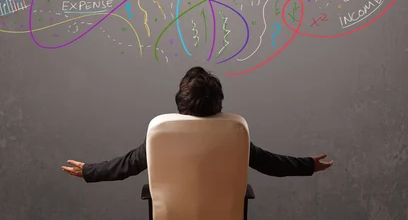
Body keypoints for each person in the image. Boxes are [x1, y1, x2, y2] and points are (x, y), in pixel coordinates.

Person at [62, 66, 334, 182]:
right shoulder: (234, 136)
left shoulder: (161, 136)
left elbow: (125, 166)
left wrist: (88, 171)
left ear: (180, 102)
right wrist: (310, 164)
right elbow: (271, 163)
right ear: (219, 103)